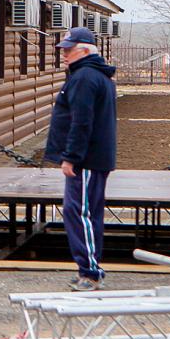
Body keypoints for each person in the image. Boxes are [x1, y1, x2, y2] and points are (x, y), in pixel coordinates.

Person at [43, 25, 117, 291]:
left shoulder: (85, 77)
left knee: (79, 213)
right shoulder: (97, 75)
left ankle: (90, 272)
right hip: (95, 159)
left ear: (85, 51)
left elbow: (81, 122)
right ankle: (90, 267)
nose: (64, 55)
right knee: (88, 213)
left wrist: (71, 157)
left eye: (68, 50)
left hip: (85, 160)